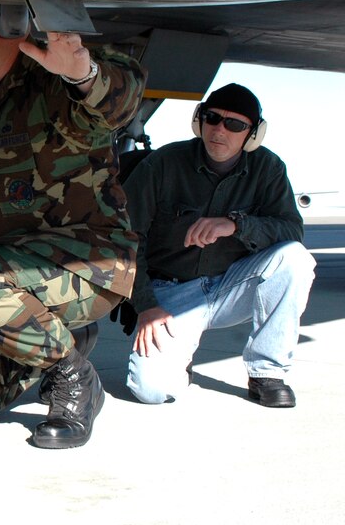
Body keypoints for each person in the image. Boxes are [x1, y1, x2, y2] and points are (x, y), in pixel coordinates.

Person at [0, 0, 146, 449]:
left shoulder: (58, 79)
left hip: (86, 264)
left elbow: (122, 97)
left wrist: (83, 73)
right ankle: (59, 335)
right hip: (7, 275)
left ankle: (73, 377)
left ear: (8, 22)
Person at [124, 83, 314, 406]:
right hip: (171, 293)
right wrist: (145, 304)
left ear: (253, 135)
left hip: (233, 285)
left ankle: (266, 371)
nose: (219, 130)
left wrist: (237, 225)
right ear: (200, 121)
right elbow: (125, 236)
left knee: (295, 260)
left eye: (235, 125)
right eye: (212, 118)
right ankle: (177, 361)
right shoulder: (163, 165)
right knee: (151, 390)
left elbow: (291, 231)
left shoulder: (267, 170)